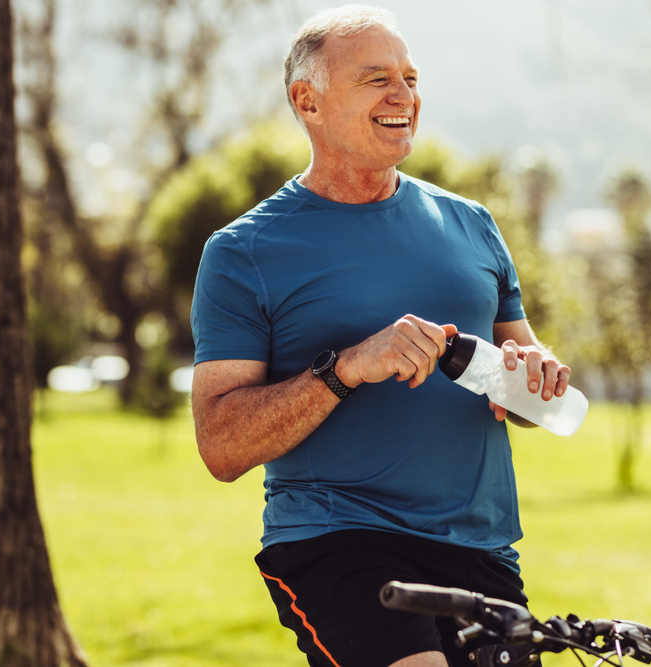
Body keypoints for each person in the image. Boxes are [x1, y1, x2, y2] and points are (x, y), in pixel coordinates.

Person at [190, 5, 573, 667]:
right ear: (307, 100)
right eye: (376, 78)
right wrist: (346, 367)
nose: (404, 94)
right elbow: (222, 445)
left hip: (482, 548)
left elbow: (528, 390)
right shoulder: (244, 251)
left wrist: (534, 380)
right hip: (342, 541)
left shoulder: (473, 225)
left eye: (411, 76)